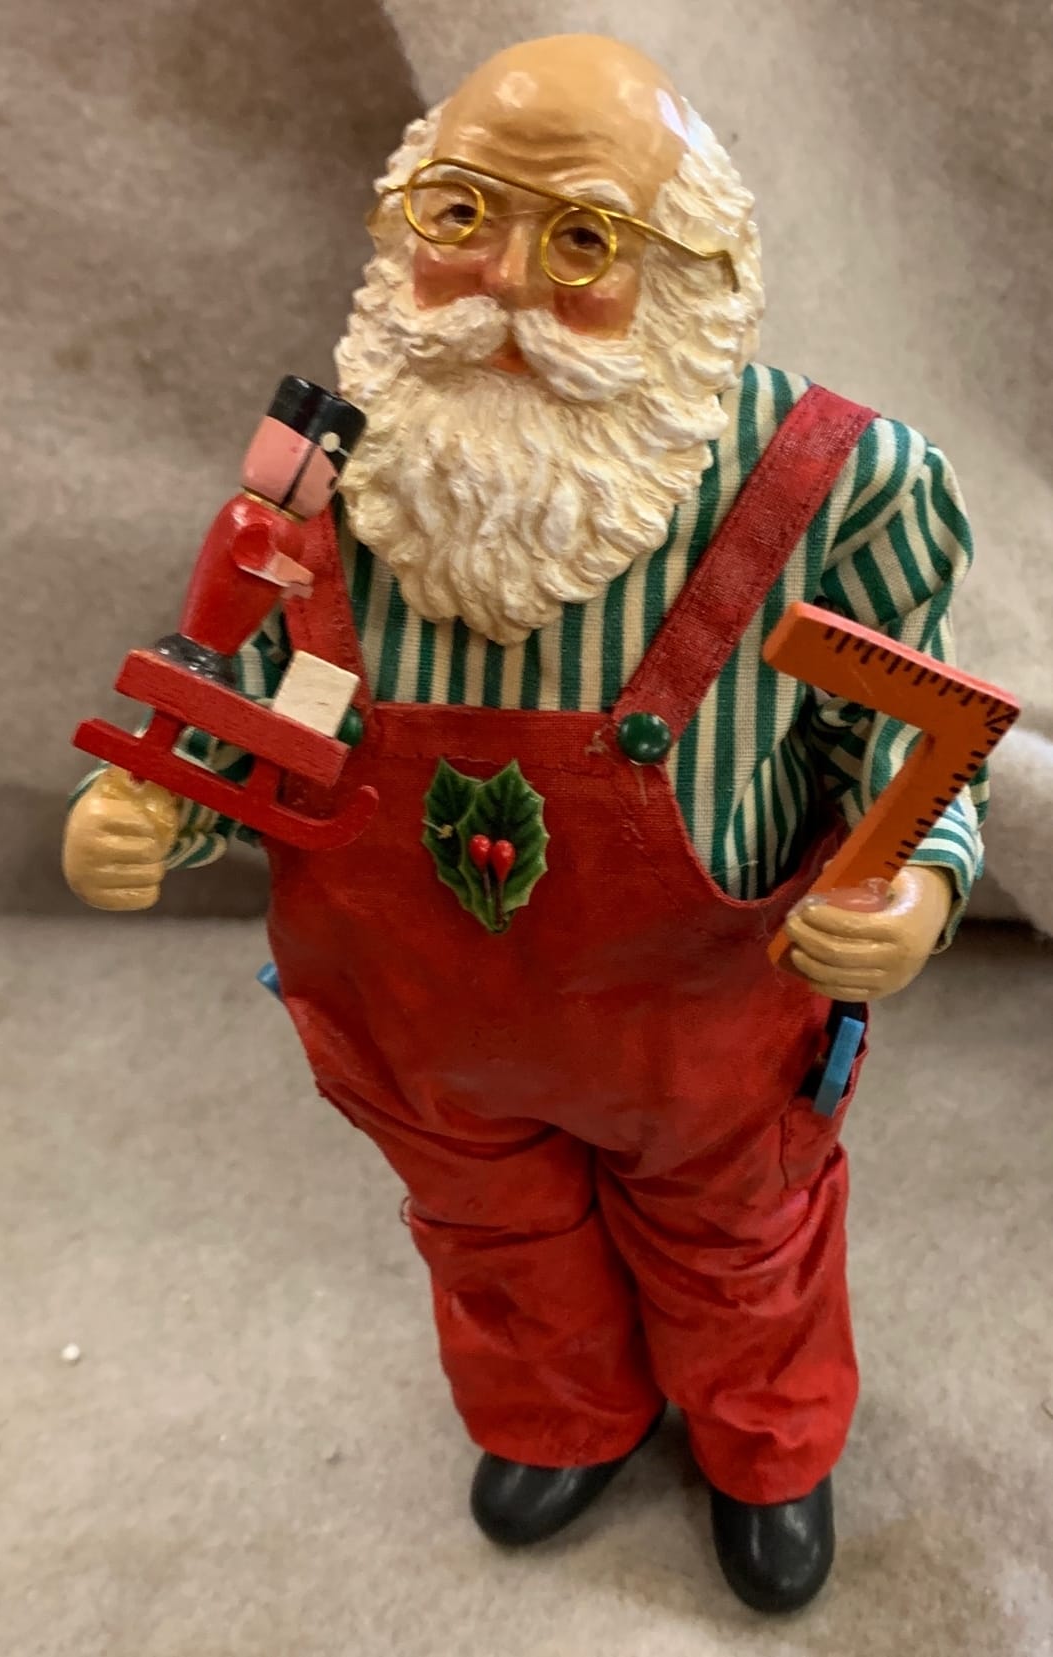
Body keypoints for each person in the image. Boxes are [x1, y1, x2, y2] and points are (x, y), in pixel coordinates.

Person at [63, 35, 986, 1614]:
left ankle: (764, 1441)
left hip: (702, 1035)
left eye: (578, 239)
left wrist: (914, 888)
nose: (499, 281)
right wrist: (154, 806)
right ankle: (560, 1415)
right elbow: (267, 688)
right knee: (489, 1240)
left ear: (691, 271)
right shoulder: (335, 472)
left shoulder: (841, 484)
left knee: (741, 1240)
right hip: (420, 1026)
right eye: (460, 214)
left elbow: (906, 738)